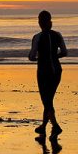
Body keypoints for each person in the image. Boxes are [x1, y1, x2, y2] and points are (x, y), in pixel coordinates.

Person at [28, 10, 67, 138]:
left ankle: (55, 126)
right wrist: (53, 56)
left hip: (44, 71)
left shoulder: (37, 37)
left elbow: (32, 56)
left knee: (46, 100)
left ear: (39, 22)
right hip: (57, 70)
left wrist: (40, 58)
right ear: (50, 21)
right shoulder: (58, 35)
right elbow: (64, 52)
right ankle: (43, 127)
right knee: (49, 99)